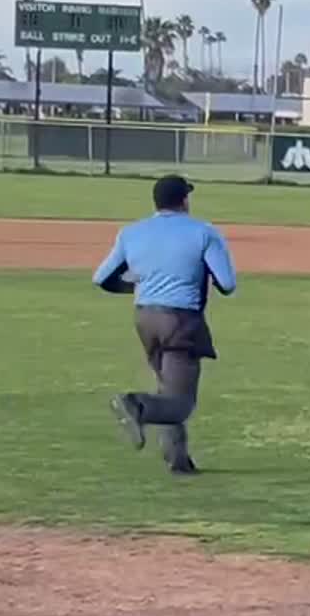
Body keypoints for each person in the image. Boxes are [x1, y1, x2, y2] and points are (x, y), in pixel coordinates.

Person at [94, 175, 237, 476]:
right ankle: (136, 406)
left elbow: (102, 278)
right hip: (181, 320)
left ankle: (179, 461)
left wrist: (136, 288)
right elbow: (227, 283)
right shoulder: (204, 232)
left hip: (145, 318)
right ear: (185, 200)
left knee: (168, 388)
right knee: (181, 403)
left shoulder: (131, 232)